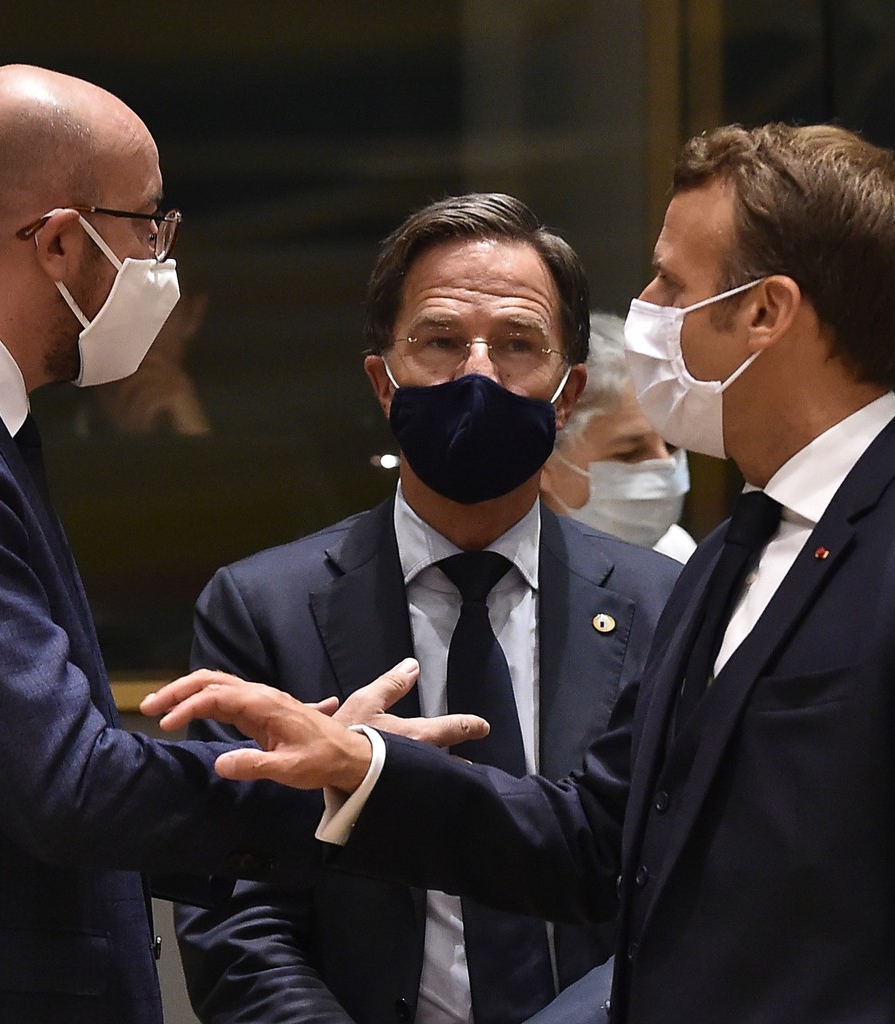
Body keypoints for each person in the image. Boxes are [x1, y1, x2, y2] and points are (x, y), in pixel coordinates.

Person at [143, 123, 895, 1024]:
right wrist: (367, 769)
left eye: (674, 288)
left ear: (765, 313)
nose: (650, 317)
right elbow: (600, 839)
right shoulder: (731, 552)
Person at [0, 65, 474, 1024]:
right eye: (149, 230)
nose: (163, 266)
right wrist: (321, 777)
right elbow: (64, 779)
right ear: (60, 240)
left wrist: (300, 748)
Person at [172, 195, 682, 1024]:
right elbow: (239, 919)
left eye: (519, 345)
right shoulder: (262, 609)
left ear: (566, 393)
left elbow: (681, 898)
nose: (479, 373)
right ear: (383, 380)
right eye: (441, 341)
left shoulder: (666, 607)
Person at [539, 311, 697, 562]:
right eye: (630, 453)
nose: (666, 464)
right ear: (543, 462)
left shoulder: (677, 552)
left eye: (673, 444)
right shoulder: (510, 577)